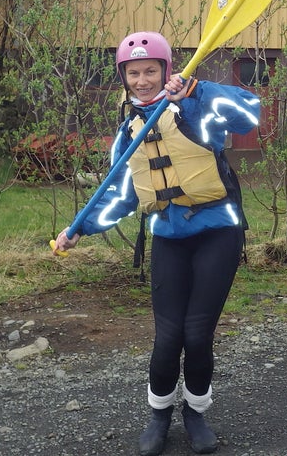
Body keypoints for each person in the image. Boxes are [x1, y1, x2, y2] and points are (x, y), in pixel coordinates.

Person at [53, 31, 259, 456]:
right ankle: (159, 415)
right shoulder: (129, 129)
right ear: (124, 78)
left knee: (197, 334)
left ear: (166, 70)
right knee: (168, 337)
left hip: (218, 232)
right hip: (168, 236)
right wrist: (80, 229)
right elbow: (121, 195)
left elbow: (248, 116)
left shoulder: (194, 107)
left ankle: (196, 413)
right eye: (134, 73)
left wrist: (196, 91)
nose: (143, 80)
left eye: (151, 71)